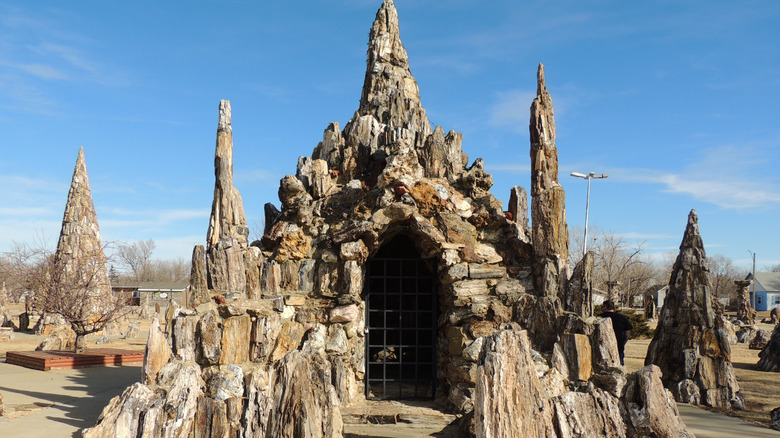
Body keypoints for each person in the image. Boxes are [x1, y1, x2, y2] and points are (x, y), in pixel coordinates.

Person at [601, 300, 632, 366]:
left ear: (605, 307)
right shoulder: (622, 318)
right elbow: (628, 331)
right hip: (619, 345)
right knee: (620, 365)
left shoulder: (600, 318)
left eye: (603, 307)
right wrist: (624, 341)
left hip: (603, 347)